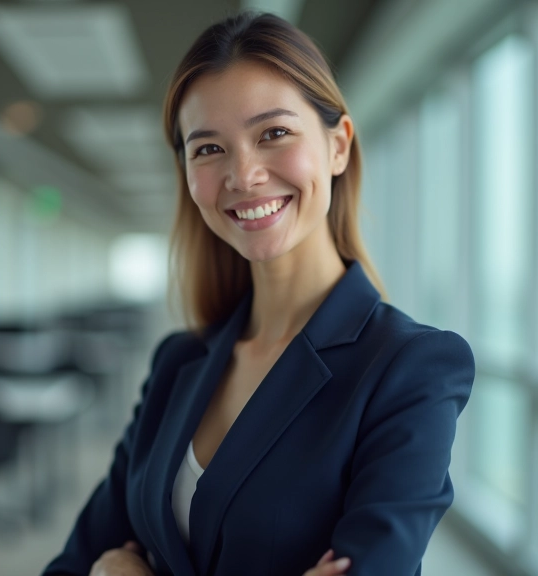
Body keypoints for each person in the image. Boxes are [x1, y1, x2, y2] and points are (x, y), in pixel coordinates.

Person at [42, 11, 475, 576]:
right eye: (208, 149)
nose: (243, 176)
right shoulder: (179, 363)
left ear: (338, 145)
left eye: (273, 133)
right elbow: (71, 564)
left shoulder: (408, 368)